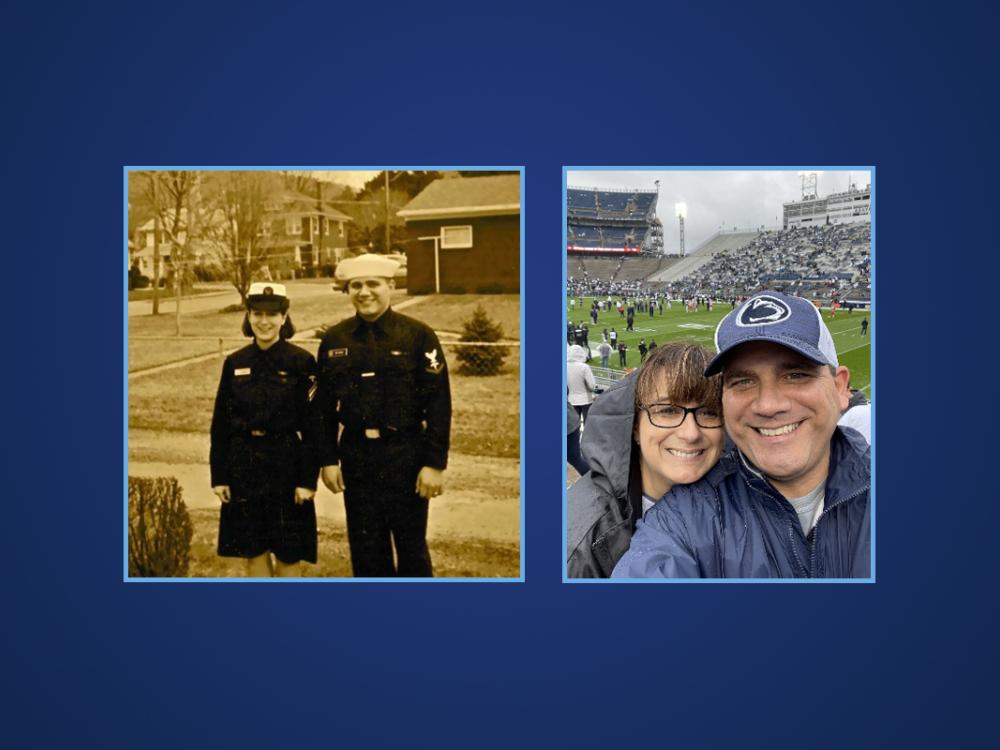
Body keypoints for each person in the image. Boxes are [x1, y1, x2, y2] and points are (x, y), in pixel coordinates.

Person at [613, 291, 870, 579]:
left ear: (840, 388)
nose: (769, 405)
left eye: (796, 375)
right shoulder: (684, 519)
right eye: (743, 381)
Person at [314, 254, 451, 577]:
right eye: (355, 286)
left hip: (406, 455)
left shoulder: (418, 335)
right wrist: (328, 460)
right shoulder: (335, 339)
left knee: (411, 547)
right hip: (357, 457)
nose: (364, 292)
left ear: (390, 286)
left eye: (372, 284)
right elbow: (322, 408)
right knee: (366, 550)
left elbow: (438, 402)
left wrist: (434, 464)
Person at [567, 343, 726, 577]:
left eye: (709, 412)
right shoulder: (578, 544)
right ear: (634, 427)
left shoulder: (746, 493)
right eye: (668, 411)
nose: (690, 433)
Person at [210, 283, 318, 577]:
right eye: (257, 313)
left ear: (284, 317)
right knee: (253, 551)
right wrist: (219, 477)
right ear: (248, 316)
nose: (264, 321)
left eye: (272, 314)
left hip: (286, 465)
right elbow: (220, 424)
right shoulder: (236, 362)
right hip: (244, 466)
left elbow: (313, 427)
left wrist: (308, 481)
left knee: (288, 552)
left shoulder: (302, 362)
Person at [567, 344, 596, 425]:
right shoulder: (584, 367)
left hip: (571, 399)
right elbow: (591, 386)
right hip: (585, 400)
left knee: (575, 424)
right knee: (587, 424)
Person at [567, 400, 590, 477]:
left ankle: (593, 479)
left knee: (575, 459)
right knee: (575, 459)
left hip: (569, 424)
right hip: (571, 419)